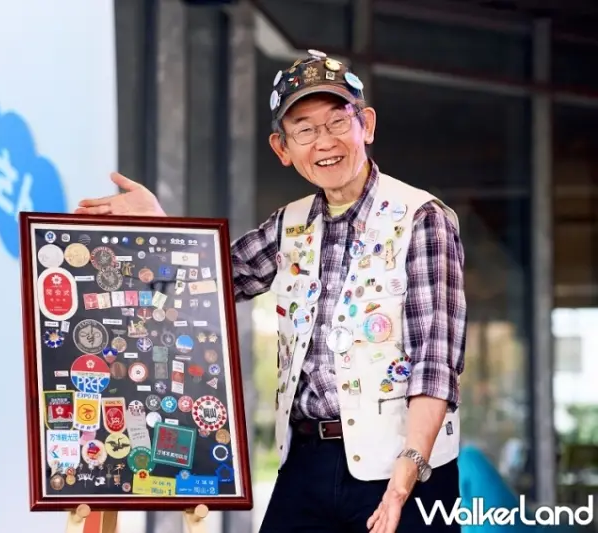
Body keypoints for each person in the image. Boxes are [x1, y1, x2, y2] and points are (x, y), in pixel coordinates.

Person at [75, 49, 466, 533]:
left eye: (337, 121)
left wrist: (406, 478)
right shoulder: (289, 224)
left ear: (365, 124)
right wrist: (159, 226)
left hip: (403, 466)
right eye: (305, 130)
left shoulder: (421, 217)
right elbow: (208, 281)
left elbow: (436, 361)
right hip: (306, 460)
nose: (324, 142)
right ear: (282, 148)